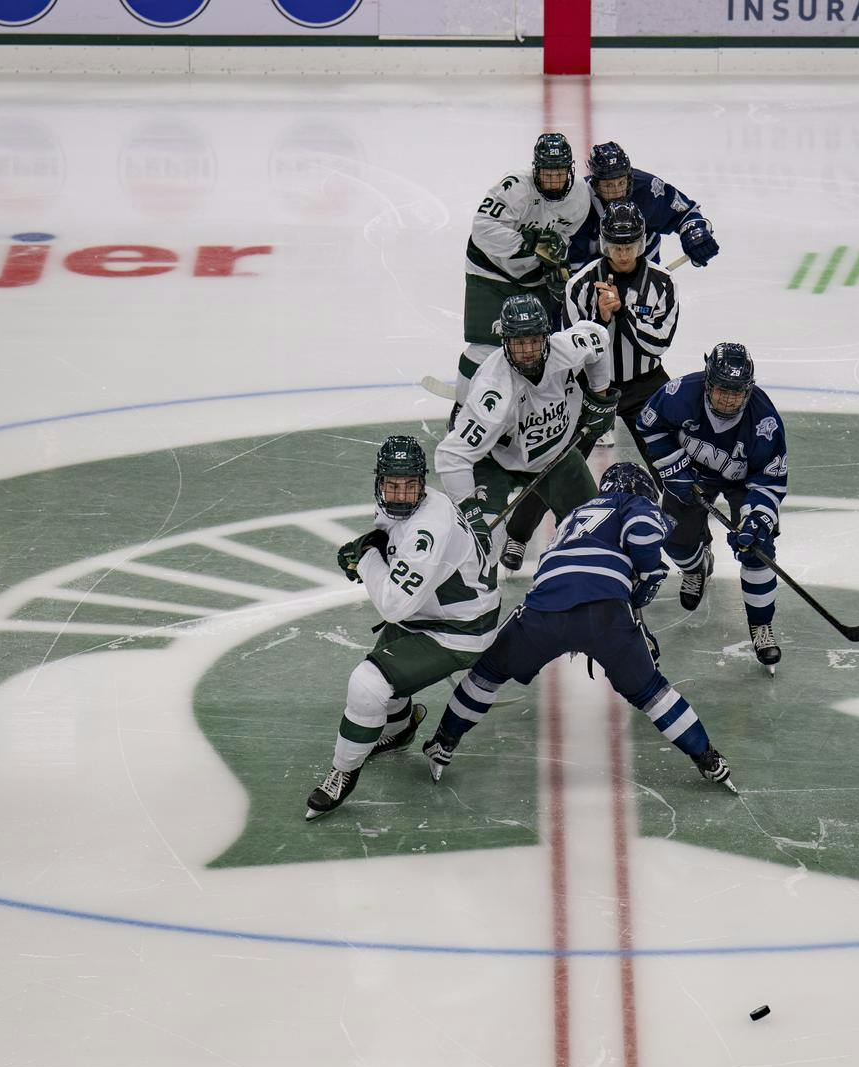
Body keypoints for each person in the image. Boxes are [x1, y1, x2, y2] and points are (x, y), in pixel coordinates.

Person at [419, 462, 735, 792]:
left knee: (487, 673)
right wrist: (648, 574)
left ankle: (444, 742)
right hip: (604, 613)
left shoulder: (574, 516)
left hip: (544, 608)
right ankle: (707, 757)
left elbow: (560, 566)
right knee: (653, 692)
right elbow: (642, 532)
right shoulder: (630, 502)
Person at [306, 436, 501, 820]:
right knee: (388, 688)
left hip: (457, 627)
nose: (399, 495)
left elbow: (394, 604)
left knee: (367, 685)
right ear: (379, 482)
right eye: (392, 485)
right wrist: (375, 550)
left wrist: (365, 559)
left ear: (421, 483)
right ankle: (401, 729)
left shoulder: (427, 527)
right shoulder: (417, 508)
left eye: (409, 486)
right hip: (436, 611)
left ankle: (343, 773)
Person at [497, 202, 679, 572]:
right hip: (588, 388)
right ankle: (518, 535)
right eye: (615, 245)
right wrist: (601, 317)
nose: (623, 253)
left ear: (642, 243)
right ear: (604, 243)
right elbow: (574, 348)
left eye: (629, 245)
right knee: (556, 458)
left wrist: (622, 314)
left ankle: (691, 548)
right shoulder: (580, 285)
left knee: (670, 466)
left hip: (646, 384)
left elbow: (659, 344)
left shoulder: (662, 282)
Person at [635, 342, 788, 671]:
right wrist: (674, 469)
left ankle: (761, 625)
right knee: (674, 541)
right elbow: (650, 424)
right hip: (690, 475)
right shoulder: (679, 394)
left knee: (758, 549)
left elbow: (770, 479)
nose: (730, 399)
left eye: (738, 392)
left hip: (744, 484)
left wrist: (755, 520)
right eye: (722, 390)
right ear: (708, 383)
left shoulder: (764, 421)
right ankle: (696, 566)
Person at [436, 293, 617, 539]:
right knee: (484, 543)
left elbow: (598, 338)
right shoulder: (493, 393)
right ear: (505, 341)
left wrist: (600, 396)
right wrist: (469, 511)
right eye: (519, 343)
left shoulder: (565, 349)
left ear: (546, 335)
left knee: (597, 529)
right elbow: (451, 456)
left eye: (533, 340)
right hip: (494, 462)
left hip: (554, 451)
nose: (528, 351)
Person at [458, 132, 592, 384]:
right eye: (547, 174)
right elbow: (482, 228)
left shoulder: (579, 196)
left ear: (570, 171)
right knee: (485, 348)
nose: (553, 181)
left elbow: (564, 235)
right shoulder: (515, 187)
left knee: (535, 347)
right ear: (536, 170)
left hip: (532, 276)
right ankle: (463, 407)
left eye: (559, 174)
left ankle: (528, 407)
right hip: (489, 269)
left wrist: (554, 259)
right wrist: (528, 243)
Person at [565, 141, 719, 271]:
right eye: (609, 185)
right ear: (596, 184)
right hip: (593, 278)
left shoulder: (648, 189)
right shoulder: (579, 197)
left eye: (621, 182)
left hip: (643, 275)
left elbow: (685, 213)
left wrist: (694, 233)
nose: (618, 191)